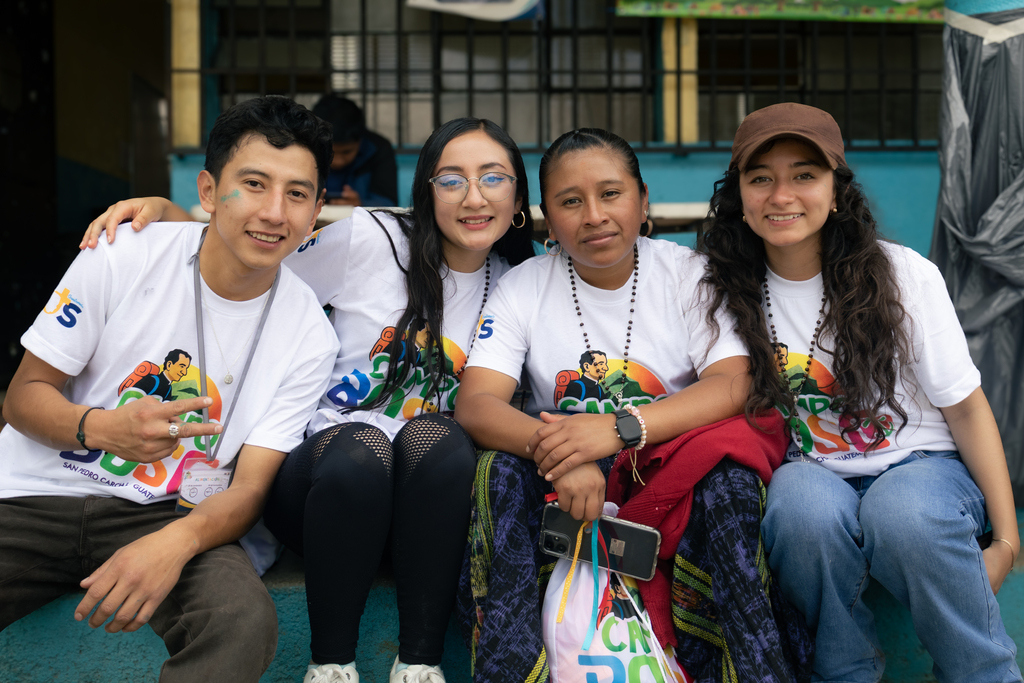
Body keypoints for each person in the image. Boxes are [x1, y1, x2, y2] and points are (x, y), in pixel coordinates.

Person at [80, 117, 536, 683]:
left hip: (428, 512)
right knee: (361, 447)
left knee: (439, 437)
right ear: (425, 190)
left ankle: (419, 666)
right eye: (451, 179)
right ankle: (331, 666)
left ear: (518, 195)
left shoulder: (520, 283)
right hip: (326, 490)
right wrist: (173, 216)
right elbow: (255, 265)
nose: (474, 197)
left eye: (494, 178)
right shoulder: (373, 238)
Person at [454, 128, 813, 683]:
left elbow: (733, 383)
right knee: (496, 472)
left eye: (611, 194)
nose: (593, 215)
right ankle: (511, 667)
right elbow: (476, 403)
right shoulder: (524, 286)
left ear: (643, 201)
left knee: (732, 484)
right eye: (570, 201)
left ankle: (743, 670)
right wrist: (559, 453)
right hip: (568, 475)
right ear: (547, 215)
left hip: (667, 467)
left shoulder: (688, 274)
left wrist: (622, 429)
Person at [0, 95, 340, 681]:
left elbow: (251, 488)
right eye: (253, 184)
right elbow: (23, 395)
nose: (274, 212)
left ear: (316, 211)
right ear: (208, 192)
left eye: (297, 194)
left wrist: (174, 544)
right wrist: (104, 429)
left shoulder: (310, 335)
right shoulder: (122, 254)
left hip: (169, 513)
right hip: (32, 497)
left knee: (242, 622)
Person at [697, 102, 1022, 682]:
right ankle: (844, 673)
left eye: (804, 175)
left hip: (924, 465)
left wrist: (1006, 538)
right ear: (738, 196)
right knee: (799, 509)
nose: (782, 195)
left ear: (837, 190)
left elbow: (967, 407)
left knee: (904, 512)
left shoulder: (902, 274)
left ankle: (983, 673)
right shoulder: (721, 289)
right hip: (810, 470)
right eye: (761, 178)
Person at [313, 94, 399, 207]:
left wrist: (361, 205)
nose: (338, 161)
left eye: (346, 152)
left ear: (361, 140)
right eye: (329, 151)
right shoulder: (302, 149)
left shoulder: (378, 149)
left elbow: (388, 205)